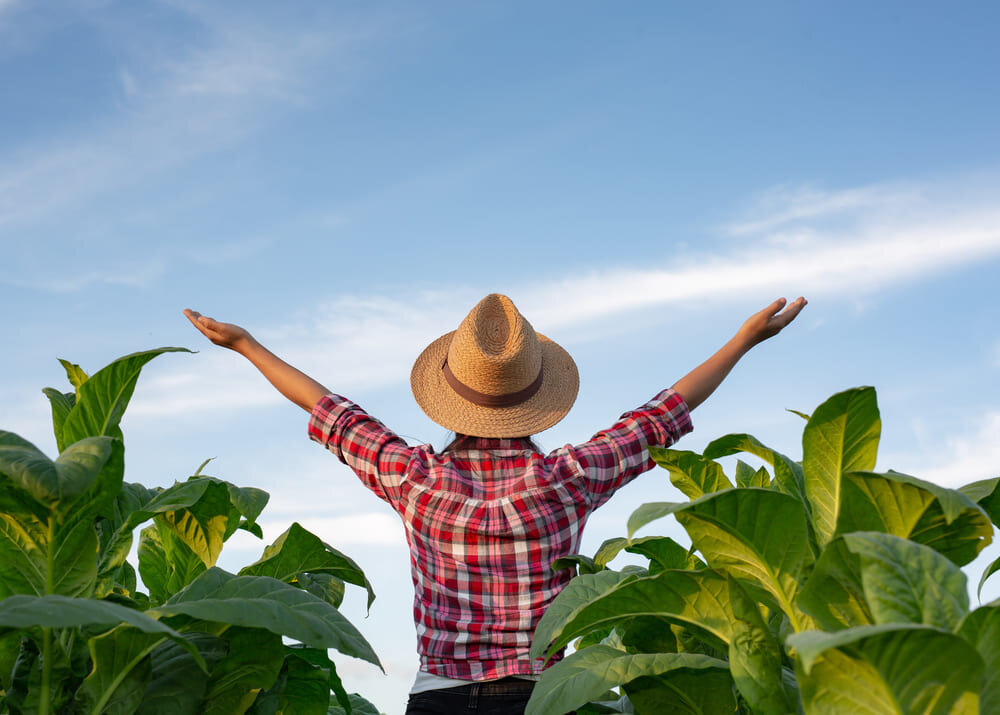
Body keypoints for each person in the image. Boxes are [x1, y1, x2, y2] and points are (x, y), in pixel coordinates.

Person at [184, 293, 806, 714]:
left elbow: (330, 411)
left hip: (438, 698)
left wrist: (245, 345)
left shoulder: (413, 476)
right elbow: (660, 416)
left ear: (450, 397)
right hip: (542, 698)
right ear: (536, 398)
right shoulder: (569, 477)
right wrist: (744, 340)